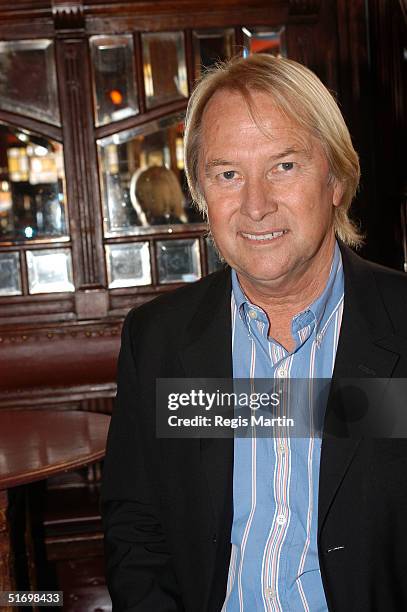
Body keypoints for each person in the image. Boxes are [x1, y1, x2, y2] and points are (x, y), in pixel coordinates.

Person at [101, 54, 407, 611]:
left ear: (336, 178)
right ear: (201, 192)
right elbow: (138, 532)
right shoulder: (160, 341)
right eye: (227, 174)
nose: (256, 205)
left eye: (284, 166)